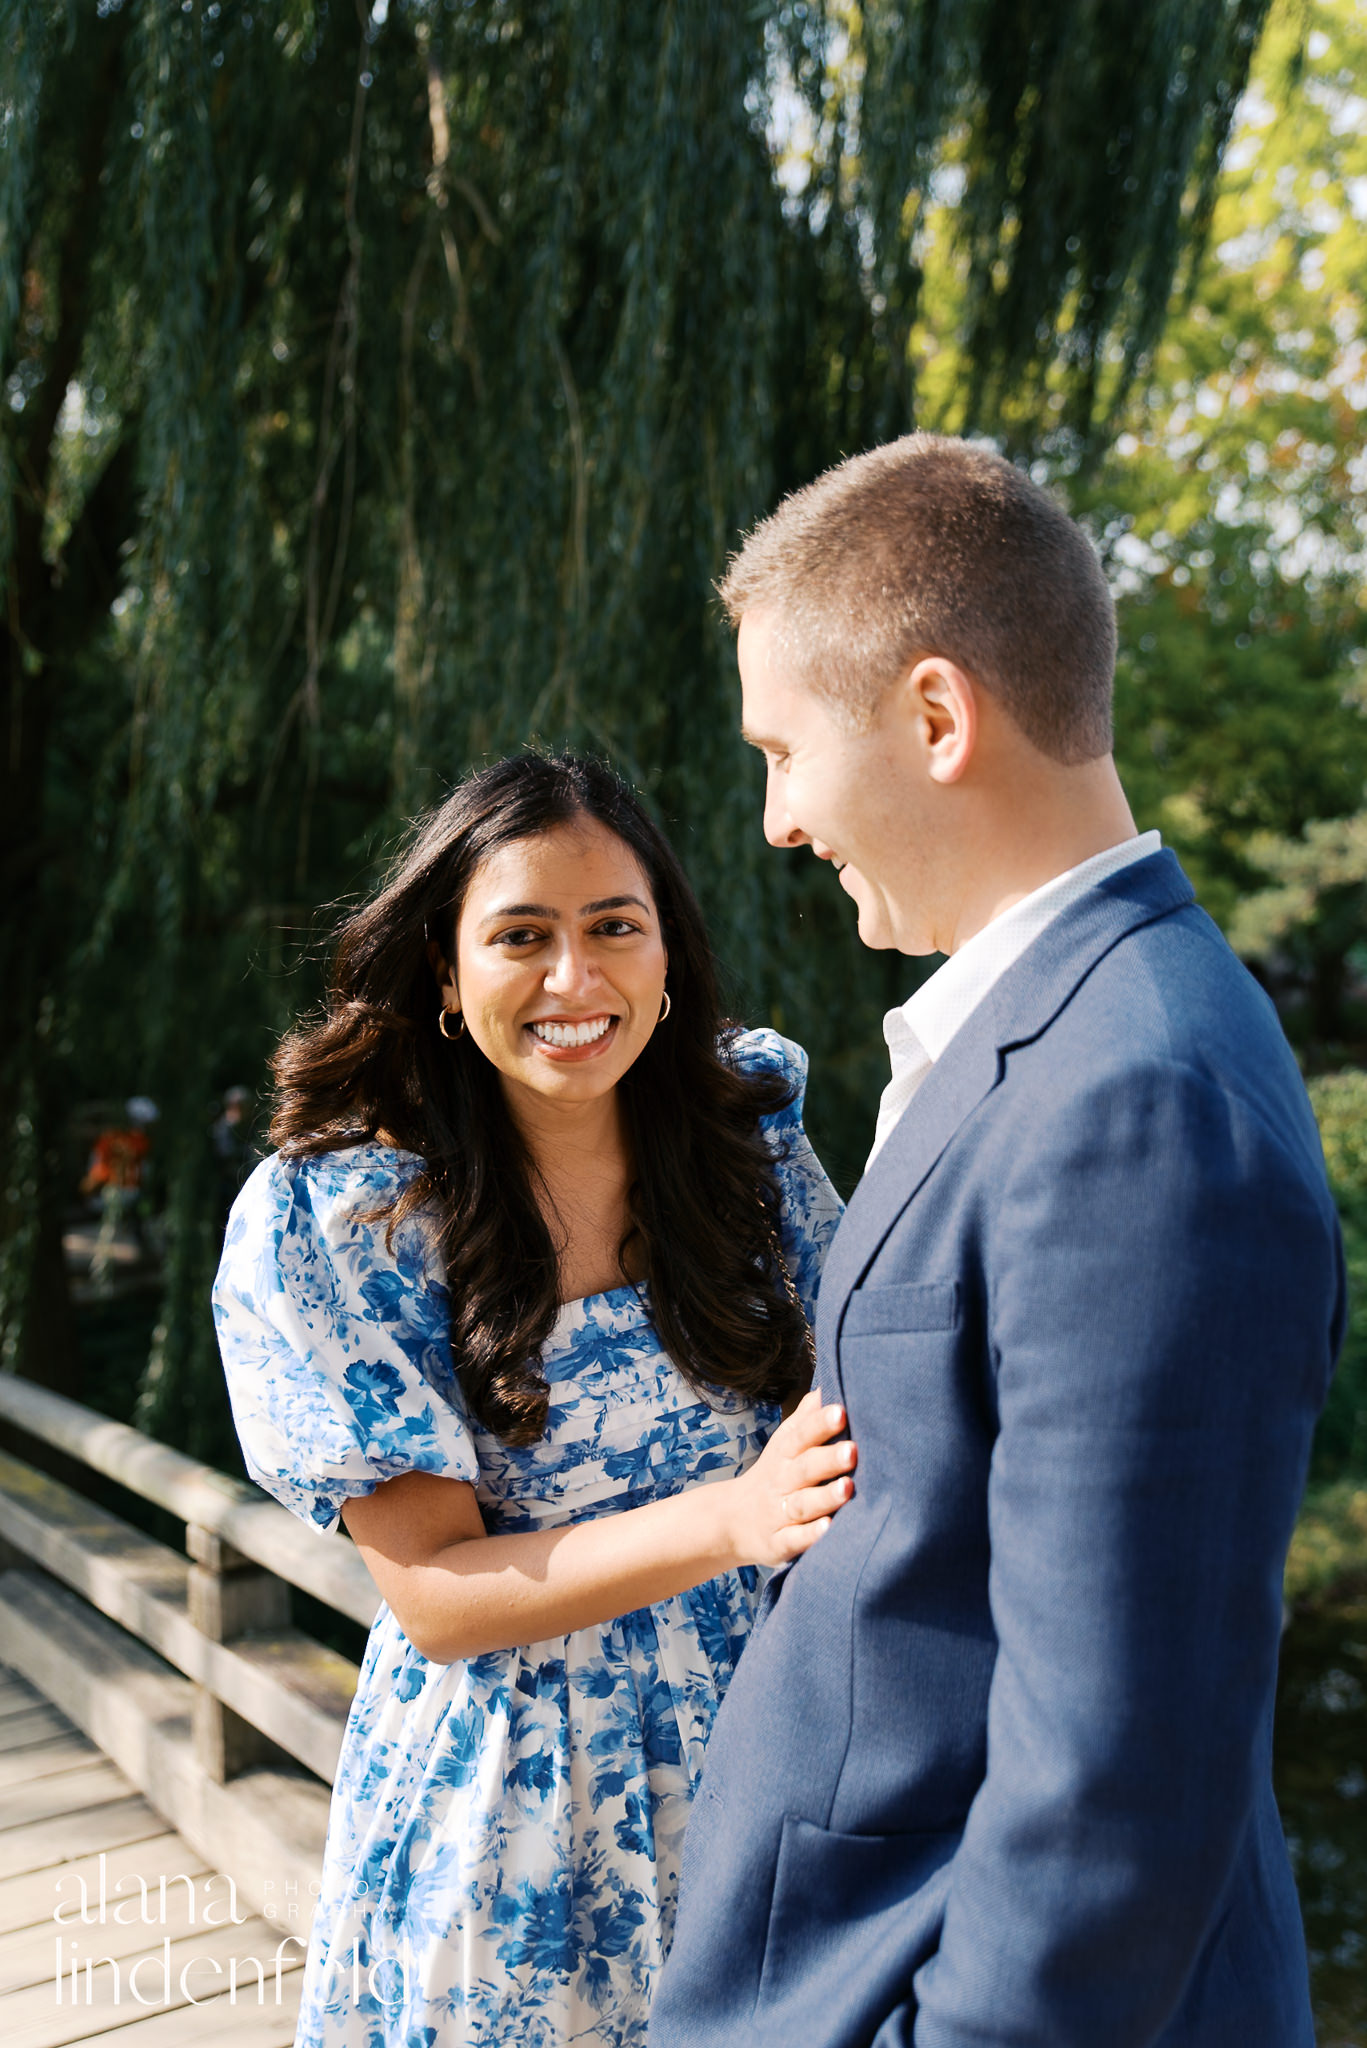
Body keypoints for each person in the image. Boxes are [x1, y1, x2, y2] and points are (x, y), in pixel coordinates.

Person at [651, 436, 1345, 2048]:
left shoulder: (1140, 1096)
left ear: (938, 718)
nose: (774, 821)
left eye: (783, 753)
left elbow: (1121, 1778)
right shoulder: (1054, 1029)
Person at [212, 752, 849, 2048]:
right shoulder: (348, 1221)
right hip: (521, 1809)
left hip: (772, 1763)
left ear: (668, 949)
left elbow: (873, 1383)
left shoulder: (749, 1135)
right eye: (521, 937)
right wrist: (733, 1521)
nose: (576, 979)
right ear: (447, 973)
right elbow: (439, 1597)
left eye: (615, 926)